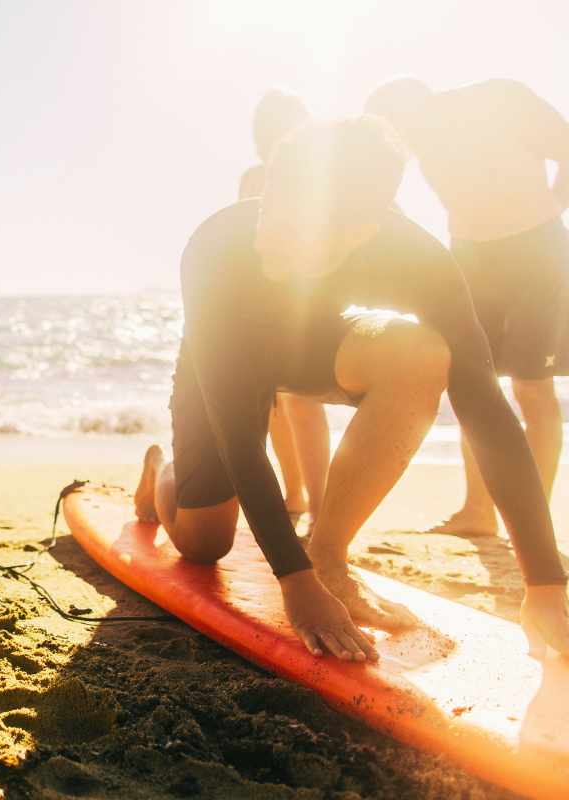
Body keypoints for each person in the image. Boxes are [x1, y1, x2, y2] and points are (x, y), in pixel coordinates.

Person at [134, 117, 569, 661]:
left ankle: (332, 556)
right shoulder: (217, 245)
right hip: (223, 355)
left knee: (423, 355)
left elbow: (484, 405)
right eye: (273, 211)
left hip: (310, 341)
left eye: (297, 229)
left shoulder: (419, 259)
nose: (270, 236)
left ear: (363, 229)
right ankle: (161, 476)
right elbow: (239, 435)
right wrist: (293, 583)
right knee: (205, 544)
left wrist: (544, 585)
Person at [367, 78, 569, 537]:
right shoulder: (412, 140)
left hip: (537, 251)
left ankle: (530, 523)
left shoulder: (500, 98)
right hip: (471, 257)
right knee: (473, 382)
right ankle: (478, 513)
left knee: (532, 386)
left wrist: (549, 209)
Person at [236, 89, 329, 527]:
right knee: (274, 403)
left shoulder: (324, 176)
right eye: (265, 130)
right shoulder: (254, 177)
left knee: (303, 400)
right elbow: (240, 239)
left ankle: (323, 504)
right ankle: (295, 495)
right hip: (264, 305)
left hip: (310, 302)